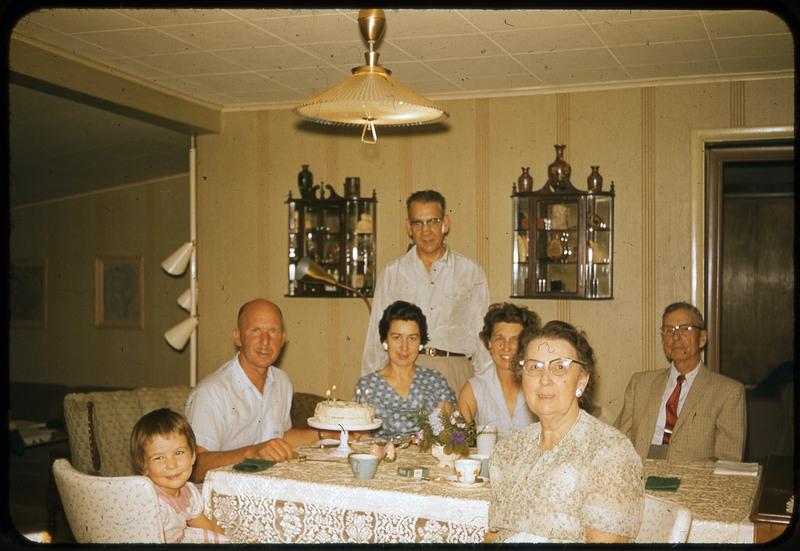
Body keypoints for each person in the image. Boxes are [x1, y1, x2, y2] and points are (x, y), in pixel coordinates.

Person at [486, 321, 643, 544]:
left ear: (582, 380)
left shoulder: (609, 452)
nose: (545, 379)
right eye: (535, 367)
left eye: (560, 367)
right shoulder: (508, 450)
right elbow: (494, 535)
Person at [185, 299, 355, 481]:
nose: (265, 341)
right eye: (255, 330)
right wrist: (252, 452)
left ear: (282, 339)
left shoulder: (282, 381)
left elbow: (280, 438)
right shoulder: (211, 392)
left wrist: (328, 435)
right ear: (238, 337)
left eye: (272, 331)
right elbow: (195, 467)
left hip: (267, 487)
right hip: (220, 496)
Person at [360, 190, 492, 397]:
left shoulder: (470, 271)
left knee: (454, 430)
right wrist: (369, 388)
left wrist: (487, 391)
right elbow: (376, 338)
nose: (426, 231)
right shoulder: (393, 273)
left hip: (455, 372)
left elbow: (482, 336)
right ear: (408, 227)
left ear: (445, 223)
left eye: (433, 221)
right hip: (405, 371)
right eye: (418, 223)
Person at [614, 302, 746, 462]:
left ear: (702, 338)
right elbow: (618, 441)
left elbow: (728, 459)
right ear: (663, 340)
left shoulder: (728, 392)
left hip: (691, 477)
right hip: (641, 471)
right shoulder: (640, 383)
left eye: (685, 329)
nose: (676, 337)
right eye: (669, 331)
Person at [354, 301, 456, 440]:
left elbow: (447, 435)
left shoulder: (435, 381)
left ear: (421, 343)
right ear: (385, 340)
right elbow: (361, 441)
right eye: (397, 337)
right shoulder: (367, 386)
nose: (404, 347)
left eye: (412, 338)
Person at [130, 408, 228, 543]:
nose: (171, 465)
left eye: (179, 453)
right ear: (143, 466)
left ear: (193, 456)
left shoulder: (189, 492)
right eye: (159, 458)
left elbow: (207, 525)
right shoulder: (150, 502)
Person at [457, 302, 540, 439]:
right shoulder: (474, 388)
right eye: (499, 338)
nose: (506, 348)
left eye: (515, 339)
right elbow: (457, 441)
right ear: (489, 343)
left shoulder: (541, 384)